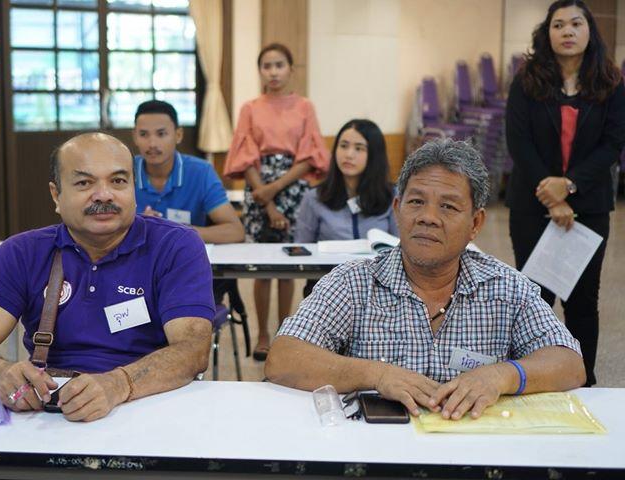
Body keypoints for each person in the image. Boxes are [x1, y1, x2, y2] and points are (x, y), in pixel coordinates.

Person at [266, 139, 585, 421]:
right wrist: (376, 374)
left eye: (448, 206)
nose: (428, 217)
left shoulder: (506, 287)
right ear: (397, 209)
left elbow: (569, 363)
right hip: (378, 455)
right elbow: (283, 358)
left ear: (475, 223)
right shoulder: (353, 283)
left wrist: (502, 376)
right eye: (416, 201)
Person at [0, 133, 214, 422]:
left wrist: (119, 384)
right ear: (56, 195)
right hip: (50, 413)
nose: (104, 195)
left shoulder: (175, 246)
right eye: (84, 183)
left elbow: (193, 350)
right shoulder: (22, 253)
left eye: (118, 181)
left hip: (150, 405)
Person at [506, 0, 625, 386]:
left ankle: (584, 382)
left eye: (576, 23)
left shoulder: (611, 83)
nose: (568, 31)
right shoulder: (527, 80)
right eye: (559, 25)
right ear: (548, 33)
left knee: (583, 301)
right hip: (532, 204)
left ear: (590, 31)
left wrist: (569, 186)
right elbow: (518, 142)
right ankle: (531, 381)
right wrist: (553, 194)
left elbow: (612, 144)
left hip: (589, 206)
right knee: (534, 299)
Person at [224, 43, 329, 361]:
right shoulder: (250, 108)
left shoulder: (305, 107)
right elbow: (245, 155)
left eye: (279, 65)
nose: (273, 72)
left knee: (288, 265)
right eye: (267, 66)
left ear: (291, 69)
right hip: (258, 186)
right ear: (260, 71)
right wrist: (266, 198)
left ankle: (285, 332)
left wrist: (276, 188)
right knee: (261, 266)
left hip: (294, 186)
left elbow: (309, 155)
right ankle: (262, 335)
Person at [295, 119, 398, 297]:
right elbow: (301, 249)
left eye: (359, 148)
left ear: (374, 155)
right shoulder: (314, 198)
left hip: (379, 289)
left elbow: (401, 247)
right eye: (343, 146)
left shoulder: (393, 197)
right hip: (328, 290)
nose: (349, 154)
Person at [132, 100, 244, 243]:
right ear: (135, 136)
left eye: (161, 134)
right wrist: (137, 227)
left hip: (184, 253)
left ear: (178, 135)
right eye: (143, 134)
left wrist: (177, 232)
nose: (152, 144)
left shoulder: (201, 172)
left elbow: (235, 231)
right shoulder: (123, 171)